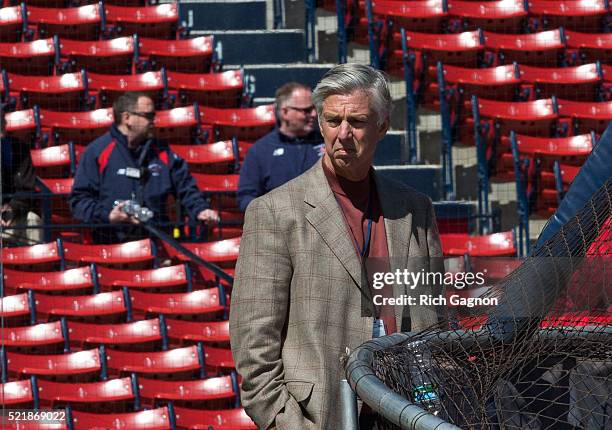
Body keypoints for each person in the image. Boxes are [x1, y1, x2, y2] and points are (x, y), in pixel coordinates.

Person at [229, 64, 445, 429]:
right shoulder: (274, 212)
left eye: (357, 122)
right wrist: (289, 423)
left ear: (382, 127)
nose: (343, 134)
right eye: (332, 120)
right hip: (323, 415)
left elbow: (436, 321)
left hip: (409, 412)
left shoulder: (415, 208)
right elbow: (254, 346)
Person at [69, 92, 219, 243]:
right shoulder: (98, 151)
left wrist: (201, 210)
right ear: (127, 118)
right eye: (148, 116)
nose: (154, 121)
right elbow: (79, 201)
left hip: (156, 241)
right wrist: (109, 215)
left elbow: (186, 187)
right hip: (109, 242)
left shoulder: (162, 152)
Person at [237, 82, 324, 211]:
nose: (313, 114)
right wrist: (273, 213)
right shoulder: (261, 151)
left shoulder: (327, 142)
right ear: (285, 112)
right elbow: (246, 198)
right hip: (280, 226)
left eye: (314, 108)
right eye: (306, 110)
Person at [0, 103, 42, 245]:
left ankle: (38, 266)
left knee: (33, 220)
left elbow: (27, 187)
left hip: (15, 213)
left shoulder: (19, 148)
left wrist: (12, 208)